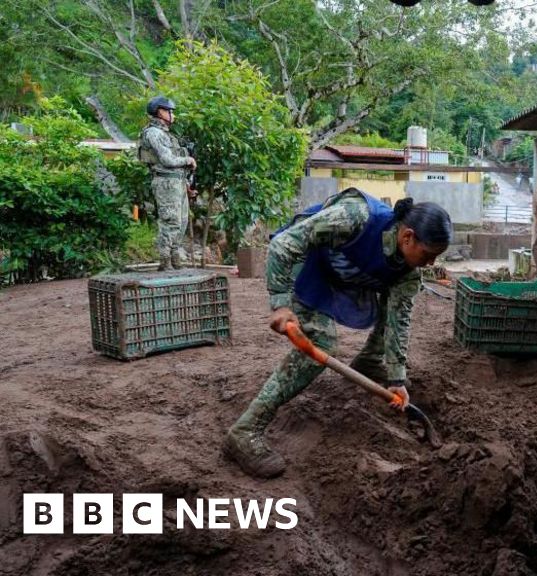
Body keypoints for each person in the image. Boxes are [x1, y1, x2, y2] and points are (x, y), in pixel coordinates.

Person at [224, 189, 452, 479]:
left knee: (394, 307)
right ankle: (245, 431)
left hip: (342, 275)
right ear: (407, 237)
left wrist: (396, 378)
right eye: (428, 255)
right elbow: (284, 244)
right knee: (321, 341)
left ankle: (369, 363)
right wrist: (280, 303)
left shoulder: (408, 273)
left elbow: (399, 320)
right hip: (304, 263)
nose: (431, 264)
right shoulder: (355, 216)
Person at [137, 96, 195, 271]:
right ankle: (165, 261)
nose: (172, 115)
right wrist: (188, 159)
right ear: (160, 112)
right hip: (165, 182)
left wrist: (187, 186)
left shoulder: (166, 135)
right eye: (169, 111)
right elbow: (167, 159)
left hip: (176, 182)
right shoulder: (153, 133)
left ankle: (175, 259)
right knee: (170, 221)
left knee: (182, 221)